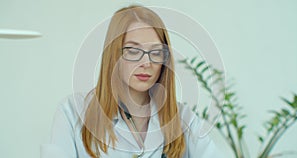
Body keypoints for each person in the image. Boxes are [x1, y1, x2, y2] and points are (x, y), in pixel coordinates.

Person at [41, 5, 222, 158]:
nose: (146, 63)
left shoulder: (184, 119)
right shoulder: (72, 113)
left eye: (156, 52)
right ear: (114, 55)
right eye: (133, 51)